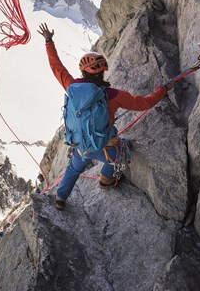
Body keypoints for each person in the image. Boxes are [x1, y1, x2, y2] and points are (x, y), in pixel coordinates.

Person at [37, 23, 168, 210]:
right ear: (102, 72)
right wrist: (163, 90)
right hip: (104, 146)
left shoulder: (71, 87)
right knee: (122, 152)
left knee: (73, 169)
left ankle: (60, 198)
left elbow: (56, 67)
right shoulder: (113, 95)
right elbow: (144, 103)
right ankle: (105, 181)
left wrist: (48, 41)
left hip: (80, 146)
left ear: (83, 72)